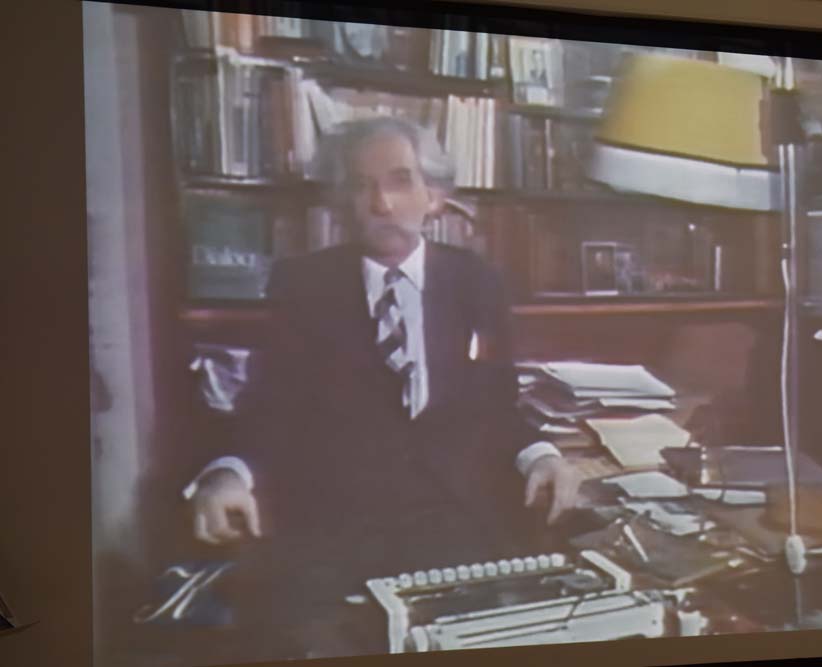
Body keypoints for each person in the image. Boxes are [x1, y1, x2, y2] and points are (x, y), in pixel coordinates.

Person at [179, 117, 581, 652]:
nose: (381, 204)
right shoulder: (304, 284)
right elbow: (271, 408)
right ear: (340, 202)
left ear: (434, 196)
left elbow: (497, 403)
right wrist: (228, 474)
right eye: (360, 186)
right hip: (334, 524)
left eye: (400, 181)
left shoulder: (476, 281)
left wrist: (543, 457)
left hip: (453, 517)